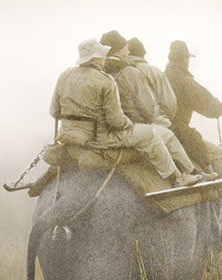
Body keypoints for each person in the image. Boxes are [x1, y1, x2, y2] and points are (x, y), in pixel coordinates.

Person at [50, 38, 201, 187]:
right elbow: (115, 121)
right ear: (95, 59)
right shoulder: (105, 81)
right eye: (102, 55)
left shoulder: (64, 75)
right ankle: (178, 177)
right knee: (149, 133)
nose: (104, 59)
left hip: (69, 135)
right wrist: (129, 124)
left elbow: (54, 111)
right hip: (100, 138)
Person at [98, 30, 206, 181]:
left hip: (105, 126)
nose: (127, 51)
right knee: (170, 135)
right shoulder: (130, 72)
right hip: (131, 125)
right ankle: (188, 174)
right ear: (119, 49)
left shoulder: (100, 71)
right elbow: (148, 108)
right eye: (125, 47)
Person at [164, 40, 222, 174]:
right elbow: (212, 108)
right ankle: (219, 191)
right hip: (180, 133)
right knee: (219, 153)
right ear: (185, 59)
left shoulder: (162, 76)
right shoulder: (185, 81)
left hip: (162, 130)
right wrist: (218, 106)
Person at [127, 37, 177, 128]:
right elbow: (170, 105)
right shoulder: (154, 71)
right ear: (143, 53)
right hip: (157, 125)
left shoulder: (121, 71)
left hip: (128, 126)